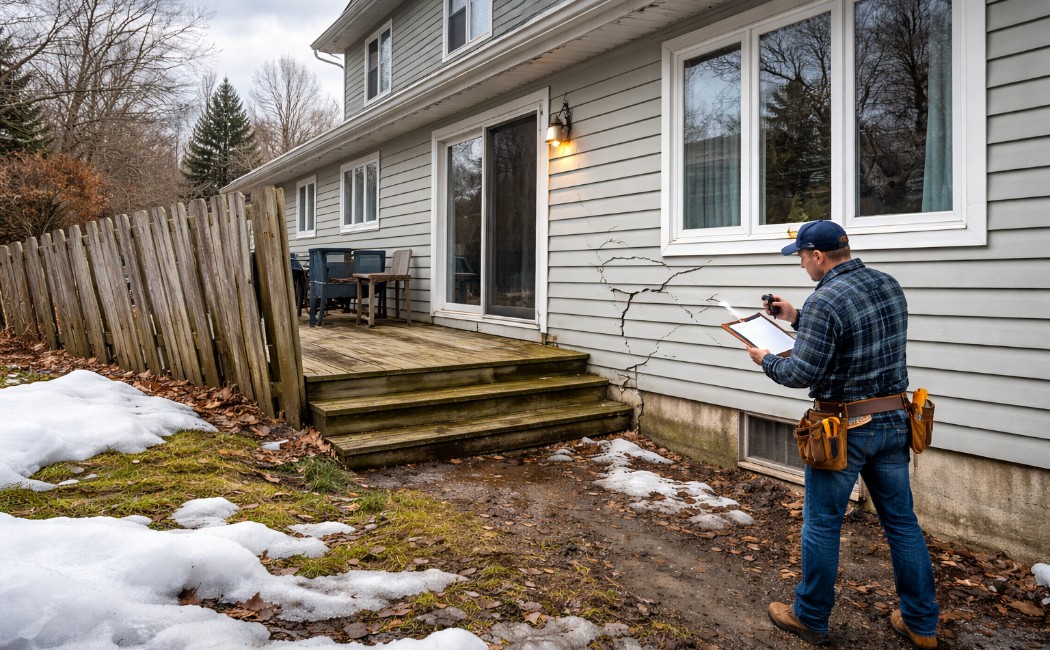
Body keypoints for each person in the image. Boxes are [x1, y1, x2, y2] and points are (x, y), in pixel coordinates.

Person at [746, 220, 939, 648]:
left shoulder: (825, 299)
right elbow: (855, 339)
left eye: (800, 257)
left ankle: (811, 617)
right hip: (894, 420)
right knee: (903, 525)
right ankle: (922, 625)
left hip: (842, 429)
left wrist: (764, 358)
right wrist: (796, 317)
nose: (800, 265)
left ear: (818, 255)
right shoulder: (887, 284)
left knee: (821, 524)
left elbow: (800, 372)